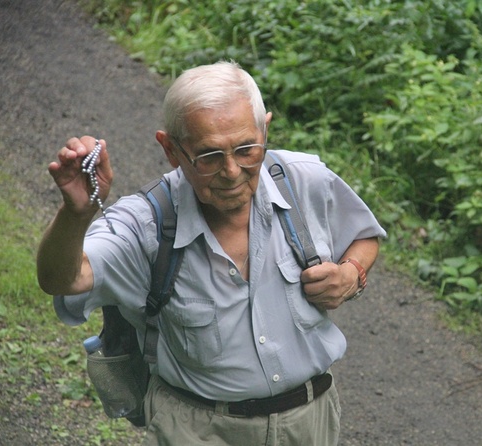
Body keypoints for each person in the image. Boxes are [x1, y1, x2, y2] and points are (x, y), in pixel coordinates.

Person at [37, 61, 386, 445]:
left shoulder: (305, 180)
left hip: (310, 423)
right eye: (210, 156)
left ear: (265, 129)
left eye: (247, 149)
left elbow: (365, 234)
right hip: (198, 430)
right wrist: (77, 214)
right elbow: (64, 280)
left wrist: (353, 273)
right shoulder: (145, 224)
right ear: (171, 149)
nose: (233, 171)